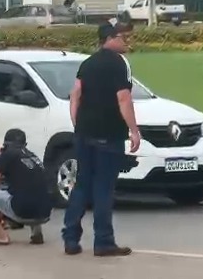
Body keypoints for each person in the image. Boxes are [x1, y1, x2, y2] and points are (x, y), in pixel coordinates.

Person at [62, 18, 141, 257]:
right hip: (109, 134)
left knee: (82, 185)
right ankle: (103, 241)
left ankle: (71, 238)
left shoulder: (87, 64)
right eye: (122, 37)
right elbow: (124, 99)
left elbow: (75, 95)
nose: (127, 41)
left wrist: (78, 123)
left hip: (84, 134)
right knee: (104, 188)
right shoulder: (120, 64)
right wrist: (134, 131)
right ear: (109, 39)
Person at [0, 128, 53, 246]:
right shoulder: (33, 156)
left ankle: (2, 236)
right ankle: (37, 234)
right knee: (31, 189)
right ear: (25, 144)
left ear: (5, 144)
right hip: (46, 213)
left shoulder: (8, 154)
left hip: (23, 213)